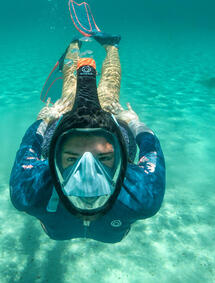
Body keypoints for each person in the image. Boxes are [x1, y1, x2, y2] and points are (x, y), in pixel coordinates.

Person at [9, 33, 166, 243]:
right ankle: (86, 44)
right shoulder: (143, 195)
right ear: (54, 160)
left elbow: (29, 145)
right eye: (72, 159)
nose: (88, 178)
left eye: (103, 159)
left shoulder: (29, 192)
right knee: (95, 93)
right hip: (93, 128)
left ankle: (88, 45)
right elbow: (150, 148)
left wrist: (44, 120)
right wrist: (133, 122)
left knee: (74, 94)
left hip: (94, 127)